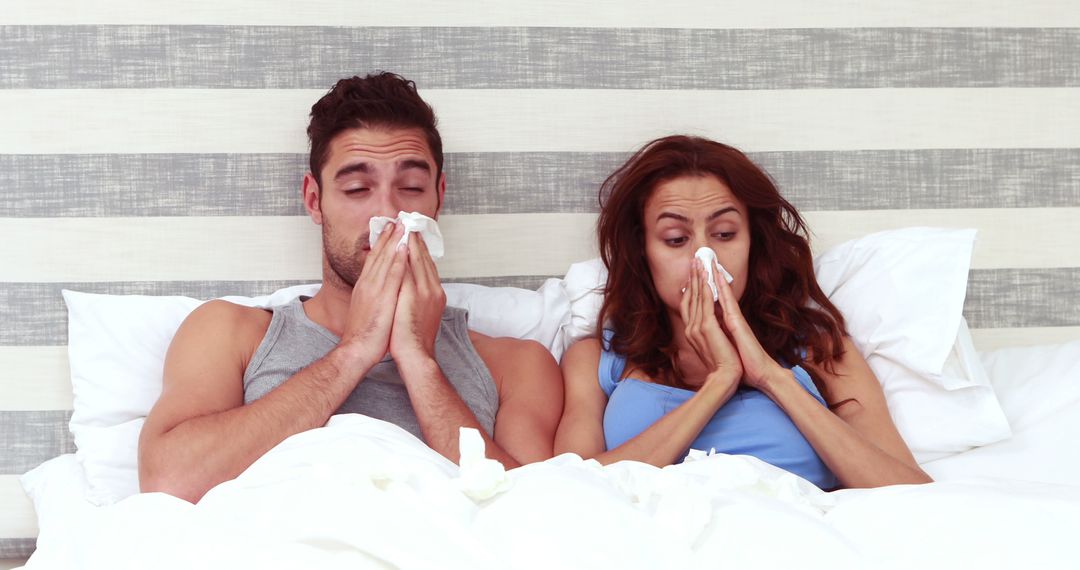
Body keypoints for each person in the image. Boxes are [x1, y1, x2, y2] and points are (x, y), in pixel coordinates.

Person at [139, 72, 564, 503]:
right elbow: (168, 481)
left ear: (439, 196)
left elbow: (537, 514)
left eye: (412, 188)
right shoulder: (230, 333)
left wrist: (419, 360)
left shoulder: (516, 365)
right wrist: (355, 350)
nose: (388, 212)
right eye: (358, 188)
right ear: (314, 200)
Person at [554, 135, 931, 489]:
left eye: (724, 234)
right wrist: (721, 381)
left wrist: (769, 376)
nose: (705, 257)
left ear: (753, 242)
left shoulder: (822, 349)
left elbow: (911, 491)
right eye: (676, 239)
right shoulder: (596, 360)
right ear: (643, 250)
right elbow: (568, 490)